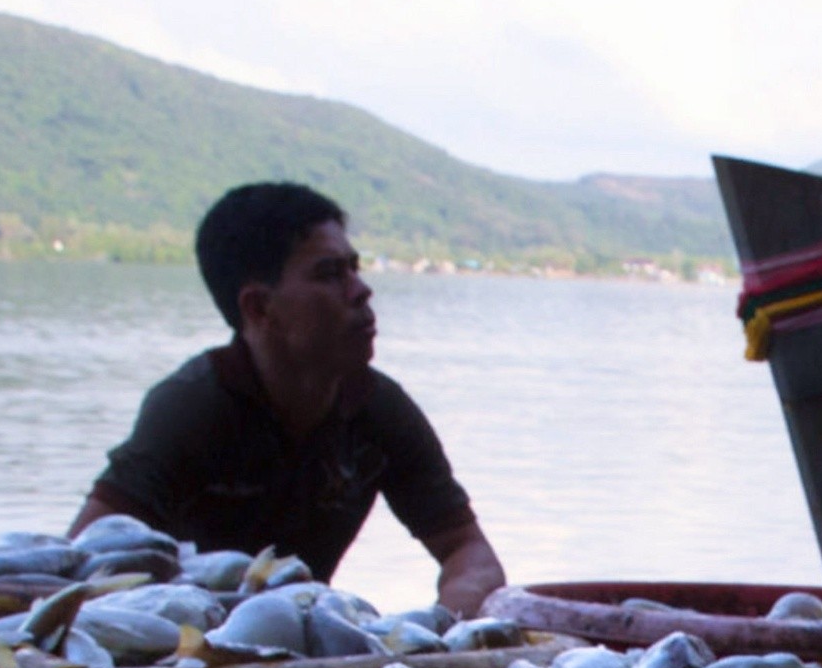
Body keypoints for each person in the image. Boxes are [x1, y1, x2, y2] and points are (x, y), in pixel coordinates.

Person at [76, 182, 507, 616]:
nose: (361, 291)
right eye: (330, 274)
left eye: (354, 269)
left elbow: (468, 552)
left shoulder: (377, 409)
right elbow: (84, 561)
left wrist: (446, 629)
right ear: (259, 308)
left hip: (303, 636)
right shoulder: (192, 409)